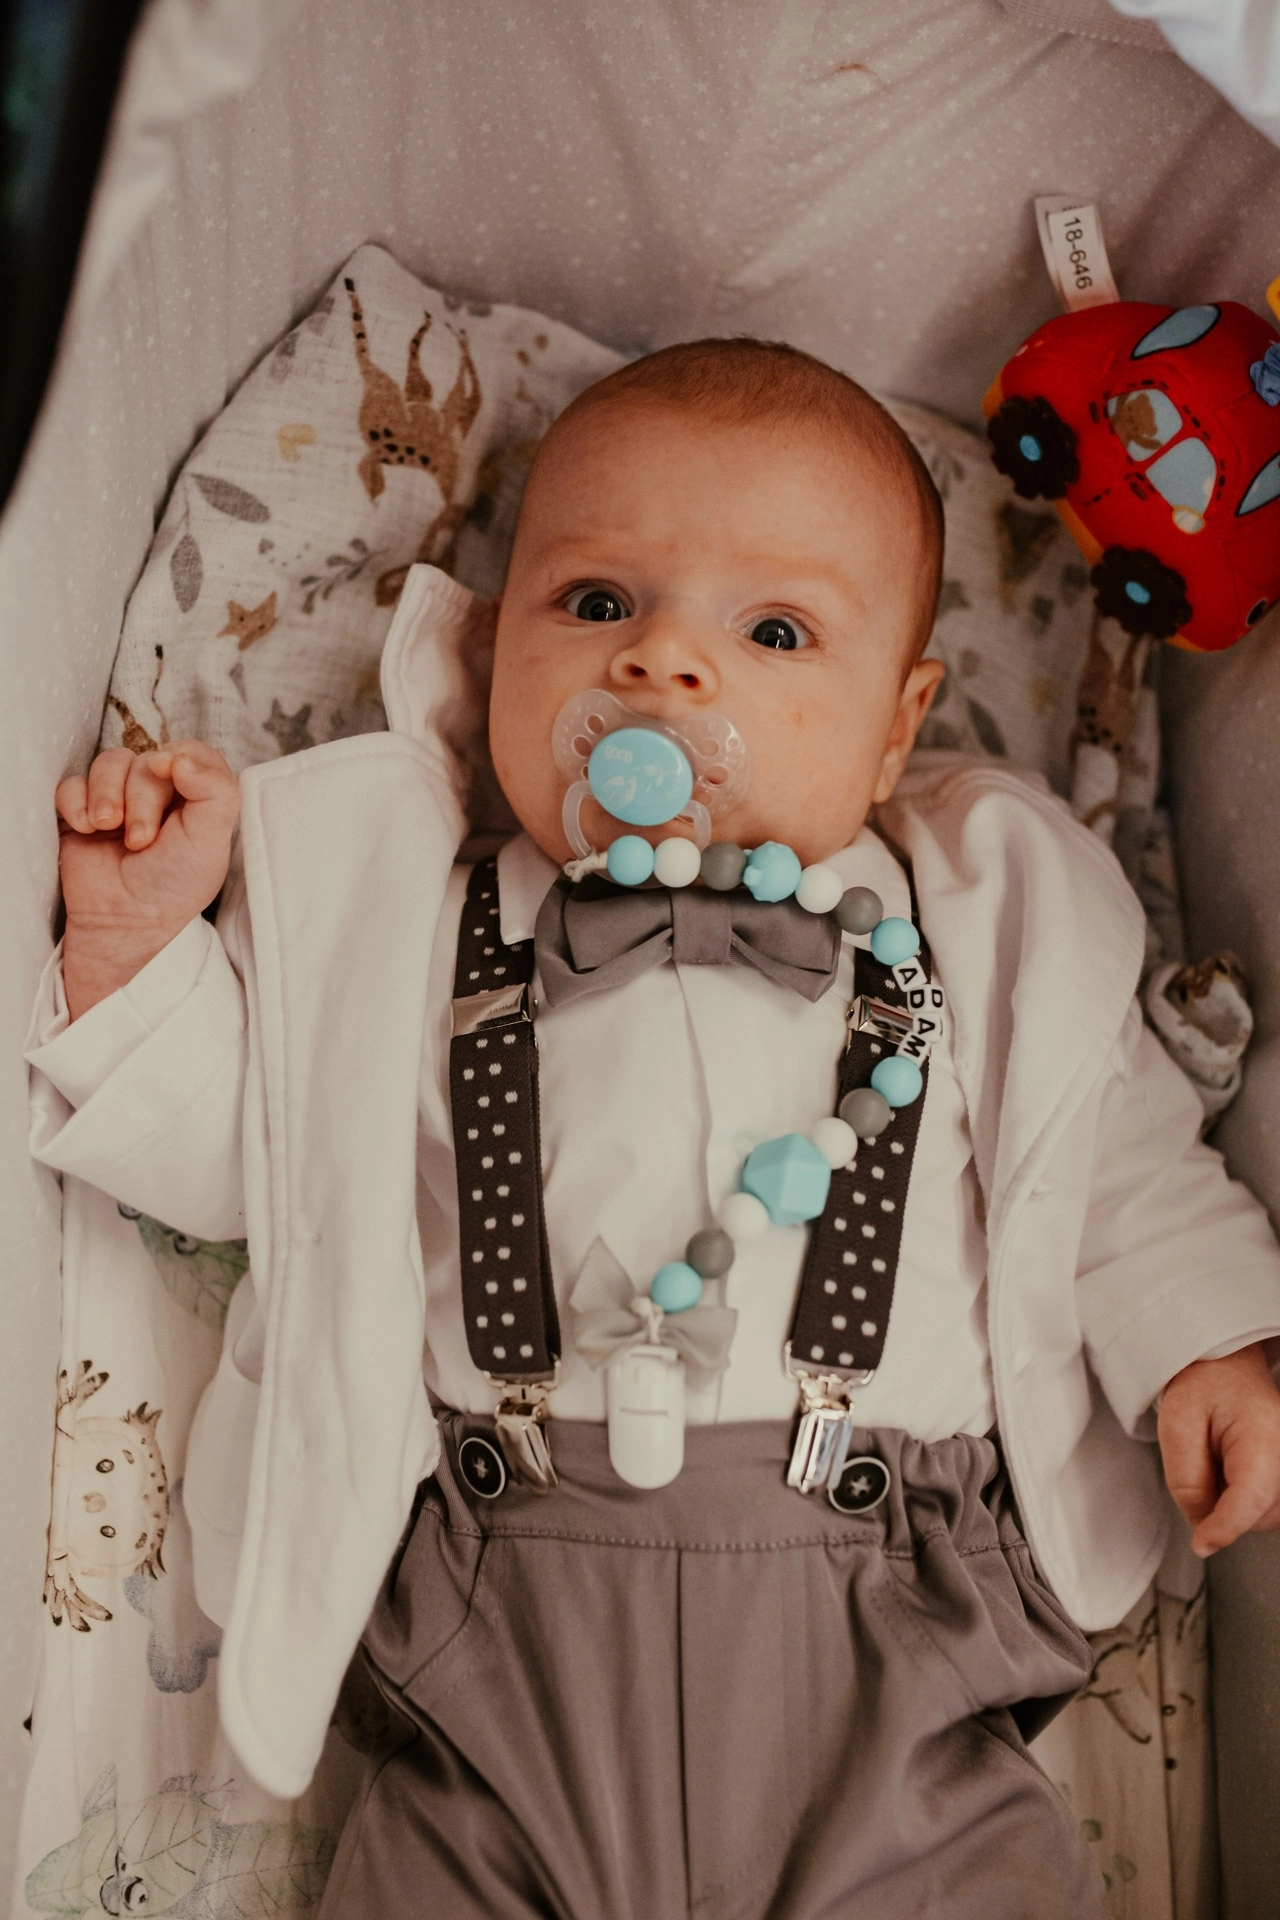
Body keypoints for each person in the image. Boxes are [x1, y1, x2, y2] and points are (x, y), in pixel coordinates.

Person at [29, 340, 1280, 1918]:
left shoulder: (970, 934)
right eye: (598, 602)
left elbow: (1107, 1157)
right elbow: (265, 1157)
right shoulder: (422, 929)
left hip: (893, 1637)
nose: (664, 665)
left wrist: (1206, 1339)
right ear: (496, 651)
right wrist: (133, 953)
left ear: (896, 729)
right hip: (505, 1644)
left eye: (773, 632)